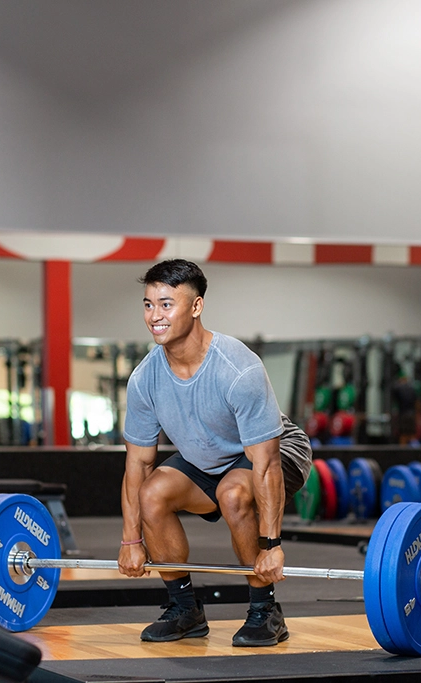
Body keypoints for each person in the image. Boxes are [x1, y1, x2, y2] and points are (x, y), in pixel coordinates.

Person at [118, 259, 313, 647]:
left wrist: (272, 546)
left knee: (233, 494)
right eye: (147, 304)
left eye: (166, 304)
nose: (155, 316)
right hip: (207, 458)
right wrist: (130, 541)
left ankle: (265, 611)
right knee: (152, 494)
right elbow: (138, 463)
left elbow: (266, 462)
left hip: (276, 451)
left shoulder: (237, 368)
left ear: (196, 307)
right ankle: (185, 609)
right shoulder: (144, 378)